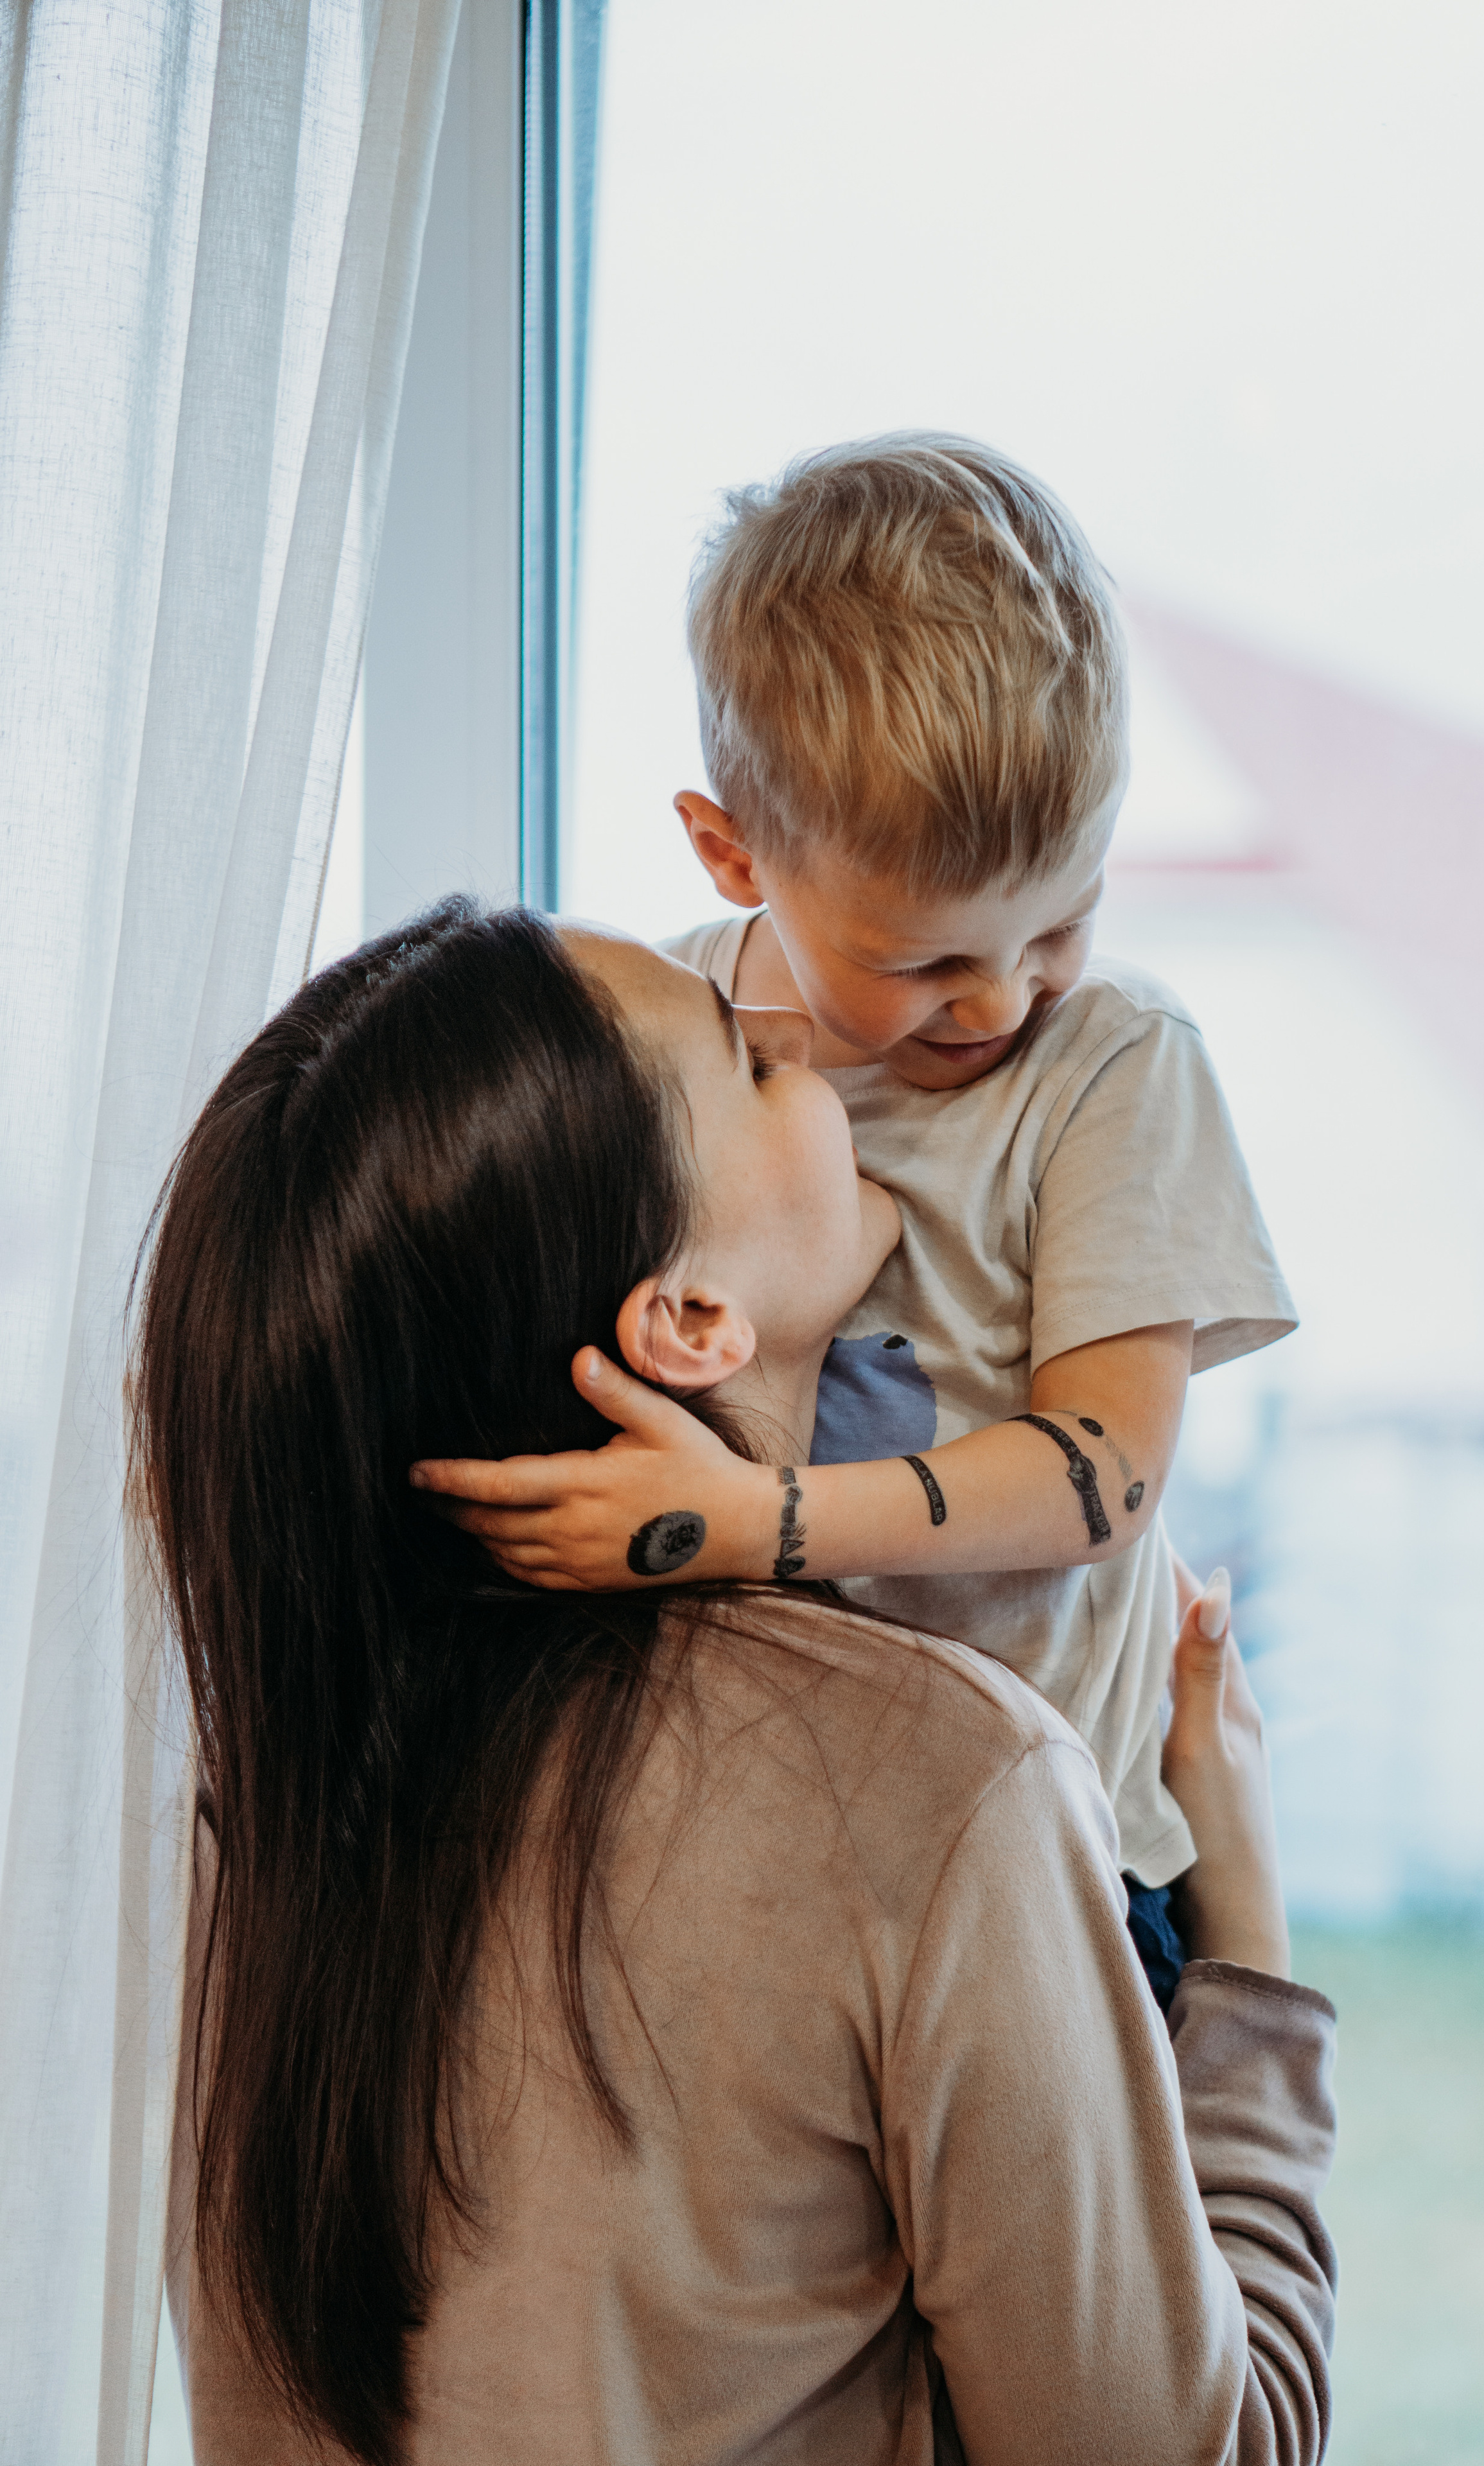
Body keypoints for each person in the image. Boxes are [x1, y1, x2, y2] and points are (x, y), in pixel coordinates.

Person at [141, 902, 1336, 2466]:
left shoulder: (251, 1816)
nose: (796, 1034)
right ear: (692, 1320)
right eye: (740, 1055)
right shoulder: (930, 1786)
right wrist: (1243, 1945)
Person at [414, 435, 1295, 2002]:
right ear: (732, 851)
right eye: (926, 956)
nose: (1005, 994)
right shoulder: (669, 1038)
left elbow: (1109, 1474)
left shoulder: (1113, 1066)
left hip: (1057, 1856)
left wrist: (759, 1526)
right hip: (765, 1828)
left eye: (1061, 919)